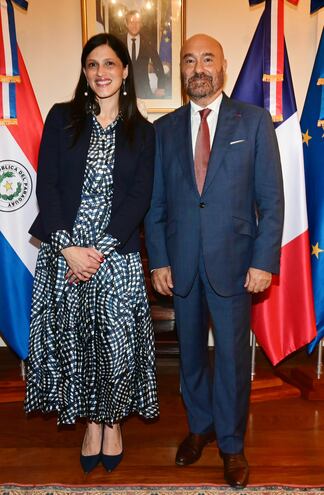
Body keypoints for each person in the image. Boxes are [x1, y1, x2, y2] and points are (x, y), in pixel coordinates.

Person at [145, 34, 284, 488]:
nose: (197, 68)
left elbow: (272, 199)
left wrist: (264, 260)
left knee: (228, 358)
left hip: (235, 264)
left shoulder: (256, 121)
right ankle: (200, 427)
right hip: (180, 266)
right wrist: (160, 259)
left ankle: (231, 443)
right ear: (181, 70)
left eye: (207, 59)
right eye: (189, 60)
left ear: (222, 67)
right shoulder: (162, 130)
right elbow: (156, 204)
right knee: (190, 358)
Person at [25, 33, 159, 474]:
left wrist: (97, 252)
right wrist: (69, 248)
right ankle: (89, 424)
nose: (100, 72)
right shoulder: (62, 118)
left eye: (109, 64)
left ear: (124, 71)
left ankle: (111, 422)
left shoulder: (143, 130)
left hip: (114, 256)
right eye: (92, 65)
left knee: (115, 347)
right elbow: (48, 187)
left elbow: (139, 196)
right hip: (64, 255)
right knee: (75, 345)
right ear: (84, 73)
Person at [123, 10, 166, 99]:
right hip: (123, 89)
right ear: (126, 24)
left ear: (141, 24)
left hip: (144, 90)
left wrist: (161, 86)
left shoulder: (147, 42)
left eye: (137, 22)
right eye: (131, 22)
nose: (135, 25)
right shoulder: (119, 42)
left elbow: (157, 63)